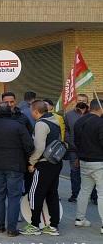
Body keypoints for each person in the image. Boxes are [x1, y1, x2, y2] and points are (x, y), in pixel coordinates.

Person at [0, 102, 34, 237]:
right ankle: (11, 229)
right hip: (15, 165)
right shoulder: (18, 126)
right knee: (14, 196)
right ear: (11, 112)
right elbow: (29, 145)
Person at [20, 100, 63, 236]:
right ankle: (53, 226)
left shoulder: (41, 124)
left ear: (35, 111)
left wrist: (32, 162)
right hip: (56, 163)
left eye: (32, 111)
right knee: (52, 193)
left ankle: (34, 225)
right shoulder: (55, 122)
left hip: (44, 164)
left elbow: (39, 148)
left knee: (34, 193)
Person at [73, 99, 103, 233]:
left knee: (84, 190)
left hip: (84, 160)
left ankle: (80, 219)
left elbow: (76, 141)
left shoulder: (79, 121)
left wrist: (79, 156)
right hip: (99, 162)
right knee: (102, 193)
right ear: (100, 108)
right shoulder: (100, 123)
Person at [65, 94, 90, 203]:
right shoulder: (69, 115)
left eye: (84, 101)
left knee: (90, 173)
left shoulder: (92, 115)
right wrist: (70, 141)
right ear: (76, 101)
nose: (81, 102)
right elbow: (66, 130)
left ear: (87, 102)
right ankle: (75, 194)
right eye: (79, 100)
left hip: (90, 150)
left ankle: (93, 197)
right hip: (73, 149)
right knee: (75, 172)